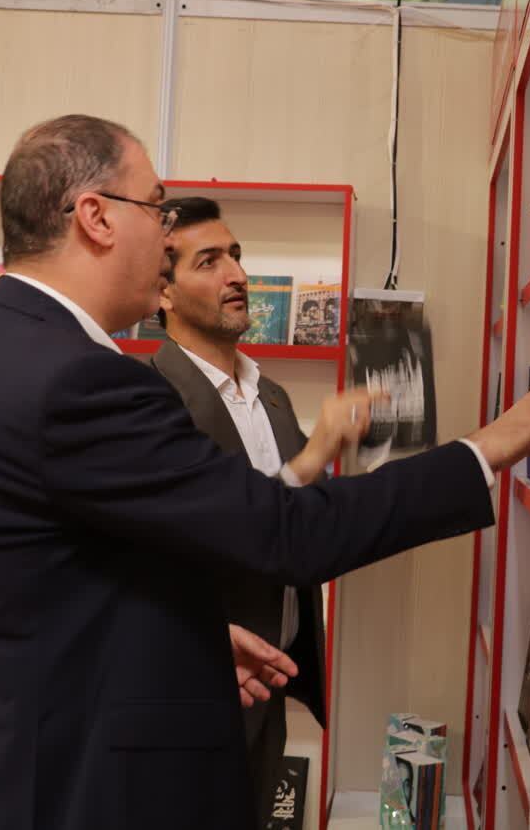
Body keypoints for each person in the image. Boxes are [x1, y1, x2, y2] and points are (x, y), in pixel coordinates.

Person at [0, 114, 530, 830]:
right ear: (96, 217)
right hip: (61, 793)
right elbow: (289, 531)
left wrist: (187, 641)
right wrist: (495, 442)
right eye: (157, 208)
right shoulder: (76, 382)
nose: (164, 233)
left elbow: (43, 592)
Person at [147, 196, 328, 823]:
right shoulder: (151, 399)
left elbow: (293, 524)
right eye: (210, 262)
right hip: (191, 694)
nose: (238, 275)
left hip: (270, 687)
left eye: (236, 256)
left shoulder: (271, 395)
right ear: (164, 292)